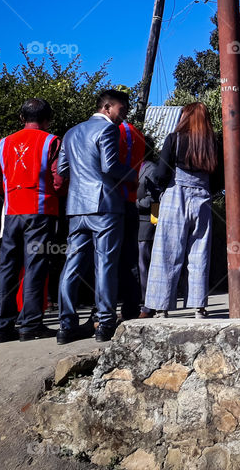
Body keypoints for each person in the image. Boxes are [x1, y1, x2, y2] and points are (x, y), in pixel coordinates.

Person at [56, 89, 135, 343]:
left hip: (77, 206)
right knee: (106, 264)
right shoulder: (108, 130)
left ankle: (65, 326)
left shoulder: (70, 132)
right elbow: (109, 166)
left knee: (72, 265)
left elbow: (62, 169)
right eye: (121, 110)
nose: (123, 116)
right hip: (105, 205)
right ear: (107, 108)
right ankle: (105, 323)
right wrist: (135, 174)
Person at [0, 98, 65, 342]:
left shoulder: (2, 144)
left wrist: (12, 192)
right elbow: (59, 180)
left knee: (7, 268)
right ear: (47, 119)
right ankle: (30, 325)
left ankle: (1, 329)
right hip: (40, 212)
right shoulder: (52, 141)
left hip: (12, 213)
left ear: (22, 118)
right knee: (35, 266)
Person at [145, 102, 222, 318]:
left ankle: (161, 307)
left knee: (167, 251)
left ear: (184, 117)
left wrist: (160, 189)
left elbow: (161, 174)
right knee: (199, 252)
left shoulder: (174, 139)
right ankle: (198, 307)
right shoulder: (213, 144)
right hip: (203, 198)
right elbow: (219, 179)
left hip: (175, 196)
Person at [117, 119, 146, 320]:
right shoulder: (136, 134)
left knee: (135, 262)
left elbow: (154, 197)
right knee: (132, 260)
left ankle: (134, 305)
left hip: (124, 207)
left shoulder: (116, 132)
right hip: (129, 205)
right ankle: (131, 306)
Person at [136, 137, 160, 318]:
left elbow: (153, 199)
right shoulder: (133, 167)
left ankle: (148, 304)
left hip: (146, 222)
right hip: (134, 222)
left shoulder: (150, 169)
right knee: (136, 265)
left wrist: (132, 203)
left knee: (144, 264)